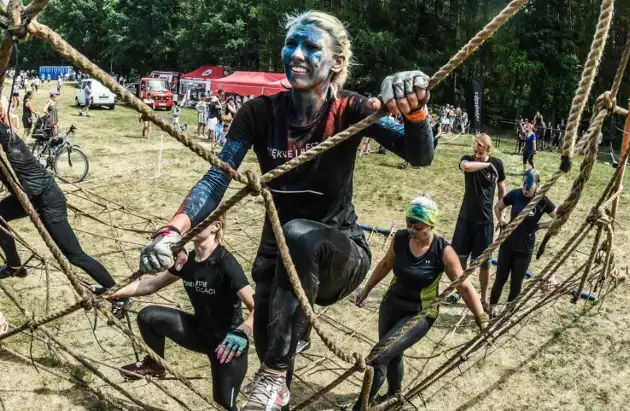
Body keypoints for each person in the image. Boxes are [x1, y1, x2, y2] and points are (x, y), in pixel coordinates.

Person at [138, 10, 435, 410]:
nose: (296, 53)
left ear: (337, 64)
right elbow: (216, 179)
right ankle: (280, 376)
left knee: (297, 240)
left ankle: (276, 371)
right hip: (275, 263)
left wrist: (415, 110)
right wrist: (172, 232)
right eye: (291, 43)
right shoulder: (259, 114)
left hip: (339, 254)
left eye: (311, 46)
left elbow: (420, 154)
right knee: (270, 346)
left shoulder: (352, 109)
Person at [353, 195, 488, 409]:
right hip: (391, 305)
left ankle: (360, 408)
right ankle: (395, 393)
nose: (412, 230)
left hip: (419, 313)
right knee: (391, 354)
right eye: (409, 224)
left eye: (418, 226)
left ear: (430, 224)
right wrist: (367, 288)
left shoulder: (443, 251)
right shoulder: (400, 238)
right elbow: (386, 263)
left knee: (378, 358)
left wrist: (481, 317)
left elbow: (463, 286)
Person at [110, 215, 253, 410]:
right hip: (199, 332)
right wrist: (110, 293)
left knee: (223, 405)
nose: (191, 226)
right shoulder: (188, 260)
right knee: (148, 316)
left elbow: (258, 305)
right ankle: (155, 365)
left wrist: (243, 330)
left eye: (199, 222)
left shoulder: (225, 263)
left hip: (226, 344)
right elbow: (152, 284)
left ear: (215, 227)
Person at [0, 123, 128, 313]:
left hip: (47, 199)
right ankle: (13, 266)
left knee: (75, 255)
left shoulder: (12, 144)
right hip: (29, 196)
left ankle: (119, 294)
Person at [490, 169, 556, 314]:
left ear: (537, 186)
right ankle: (492, 308)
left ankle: (508, 313)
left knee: (516, 284)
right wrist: (501, 220)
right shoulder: (515, 194)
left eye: (529, 188)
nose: (526, 191)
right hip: (507, 245)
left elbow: (558, 218)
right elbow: (498, 207)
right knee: (500, 279)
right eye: (524, 186)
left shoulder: (542, 200)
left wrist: (539, 226)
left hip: (524, 250)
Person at [451, 134, 506, 310]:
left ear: (488, 150)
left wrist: (501, 215)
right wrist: (485, 163)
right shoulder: (469, 160)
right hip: (465, 218)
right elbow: (466, 167)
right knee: (459, 258)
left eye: (481, 153)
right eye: (476, 151)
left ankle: (483, 298)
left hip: (485, 221)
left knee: (484, 263)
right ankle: (460, 290)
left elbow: (502, 189)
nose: (477, 155)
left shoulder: (498, 164)